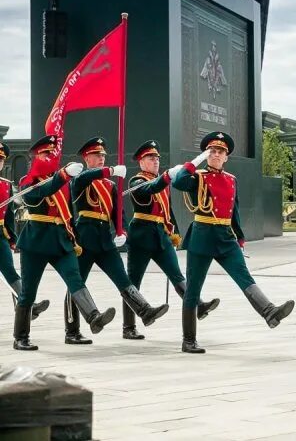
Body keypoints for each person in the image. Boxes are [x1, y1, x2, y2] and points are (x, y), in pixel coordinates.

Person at [172, 131, 294, 353]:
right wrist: (195, 162)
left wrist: (240, 238)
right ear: (207, 154)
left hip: (226, 237)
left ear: (226, 157)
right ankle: (188, 340)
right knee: (193, 288)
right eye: (212, 151)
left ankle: (269, 312)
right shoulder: (198, 177)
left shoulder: (231, 180)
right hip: (202, 235)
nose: (216, 154)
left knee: (244, 275)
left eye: (220, 152)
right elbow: (179, 182)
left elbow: (233, 211)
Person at [13, 135, 116, 351]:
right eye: (45, 153)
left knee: (75, 280)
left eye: (52, 153)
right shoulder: (28, 182)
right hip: (36, 242)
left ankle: (92, 318)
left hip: (62, 239)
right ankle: (21, 337)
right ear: (36, 156)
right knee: (28, 292)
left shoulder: (64, 181)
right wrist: (62, 175)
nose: (50, 157)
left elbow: (69, 212)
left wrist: (74, 238)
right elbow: (42, 192)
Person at [69, 137, 169, 345]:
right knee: (76, 284)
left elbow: (118, 211)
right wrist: (111, 171)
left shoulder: (110, 185)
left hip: (105, 239)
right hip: (85, 240)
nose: (101, 159)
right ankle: (72, 330)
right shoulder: (79, 179)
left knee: (122, 278)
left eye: (103, 156)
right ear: (86, 158)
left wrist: (120, 229)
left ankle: (144, 311)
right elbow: (86, 178)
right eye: (97, 155)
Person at [123, 140, 219, 340]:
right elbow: (148, 190)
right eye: (151, 158)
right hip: (142, 234)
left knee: (177, 275)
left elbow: (168, 209)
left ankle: (199, 306)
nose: (155, 161)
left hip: (161, 234)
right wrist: (167, 177)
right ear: (141, 162)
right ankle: (129, 326)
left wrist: (173, 230)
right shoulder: (136, 182)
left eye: (157, 158)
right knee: (133, 282)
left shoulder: (161, 182)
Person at [0, 141, 50, 319]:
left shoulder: (6, 185)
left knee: (10, 272)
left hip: (0, 236)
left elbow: (7, 216)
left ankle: (28, 305)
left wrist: (12, 239)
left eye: (1, 160)